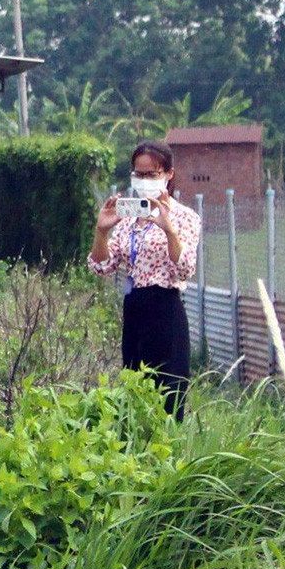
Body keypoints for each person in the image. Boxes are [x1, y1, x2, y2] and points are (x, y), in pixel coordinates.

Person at [87, 140, 201, 418]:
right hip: (134, 307)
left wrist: (168, 230)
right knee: (135, 393)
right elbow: (102, 265)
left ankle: (168, 455)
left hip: (165, 307)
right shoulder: (128, 218)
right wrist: (102, 232)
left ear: (168, 174)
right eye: (139, 174)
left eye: (152, 174)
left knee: (168, 393)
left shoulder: (185, 217)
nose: (144, 180)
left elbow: (185, 268)